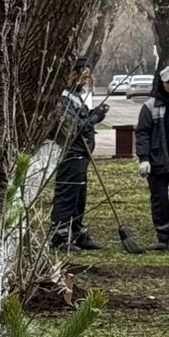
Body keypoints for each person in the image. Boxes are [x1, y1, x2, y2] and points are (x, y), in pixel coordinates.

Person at [50, 56, 108, 251]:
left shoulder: (77, 96)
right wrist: (93, 119)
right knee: (67, 193)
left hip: (82, 153)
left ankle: (77, 232)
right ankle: (59, 236)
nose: (85, 82)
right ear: (72, 75)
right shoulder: (63, 97)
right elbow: (71, 127)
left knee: (79, 194)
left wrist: (94, 114)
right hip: (71, 153)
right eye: (83, 77)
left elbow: (82, 118)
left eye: (87, 78)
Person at [136, 65, 169, 251]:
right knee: (160, 201)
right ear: (161, 83)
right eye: (168, 82)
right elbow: (142, 133)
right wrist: (144, 159)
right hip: (159, 162)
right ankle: (163, 237)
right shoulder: (150, 106)